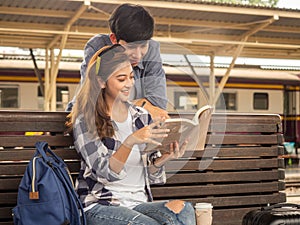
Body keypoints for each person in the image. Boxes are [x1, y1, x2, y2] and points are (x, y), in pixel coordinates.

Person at [66, 45, 196, 225]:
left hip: (139, 203)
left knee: (184, 211)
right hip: (100, 205)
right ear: (101, 82)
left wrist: (163, 159)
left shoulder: (141, 116)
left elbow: (152, 175)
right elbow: (105, 173)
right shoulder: (85, 120)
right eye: (121, 79)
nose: (129, 84)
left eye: (131, 77)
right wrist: (129, 142)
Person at [66, 3, 168, 119]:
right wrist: (142, 104)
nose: (138, 55)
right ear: (114, 39)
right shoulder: (97, 47)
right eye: (131, 47)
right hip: (88, 120)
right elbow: (95, 100)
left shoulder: (152, 49)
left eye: (143, 46)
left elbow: (159, 104)